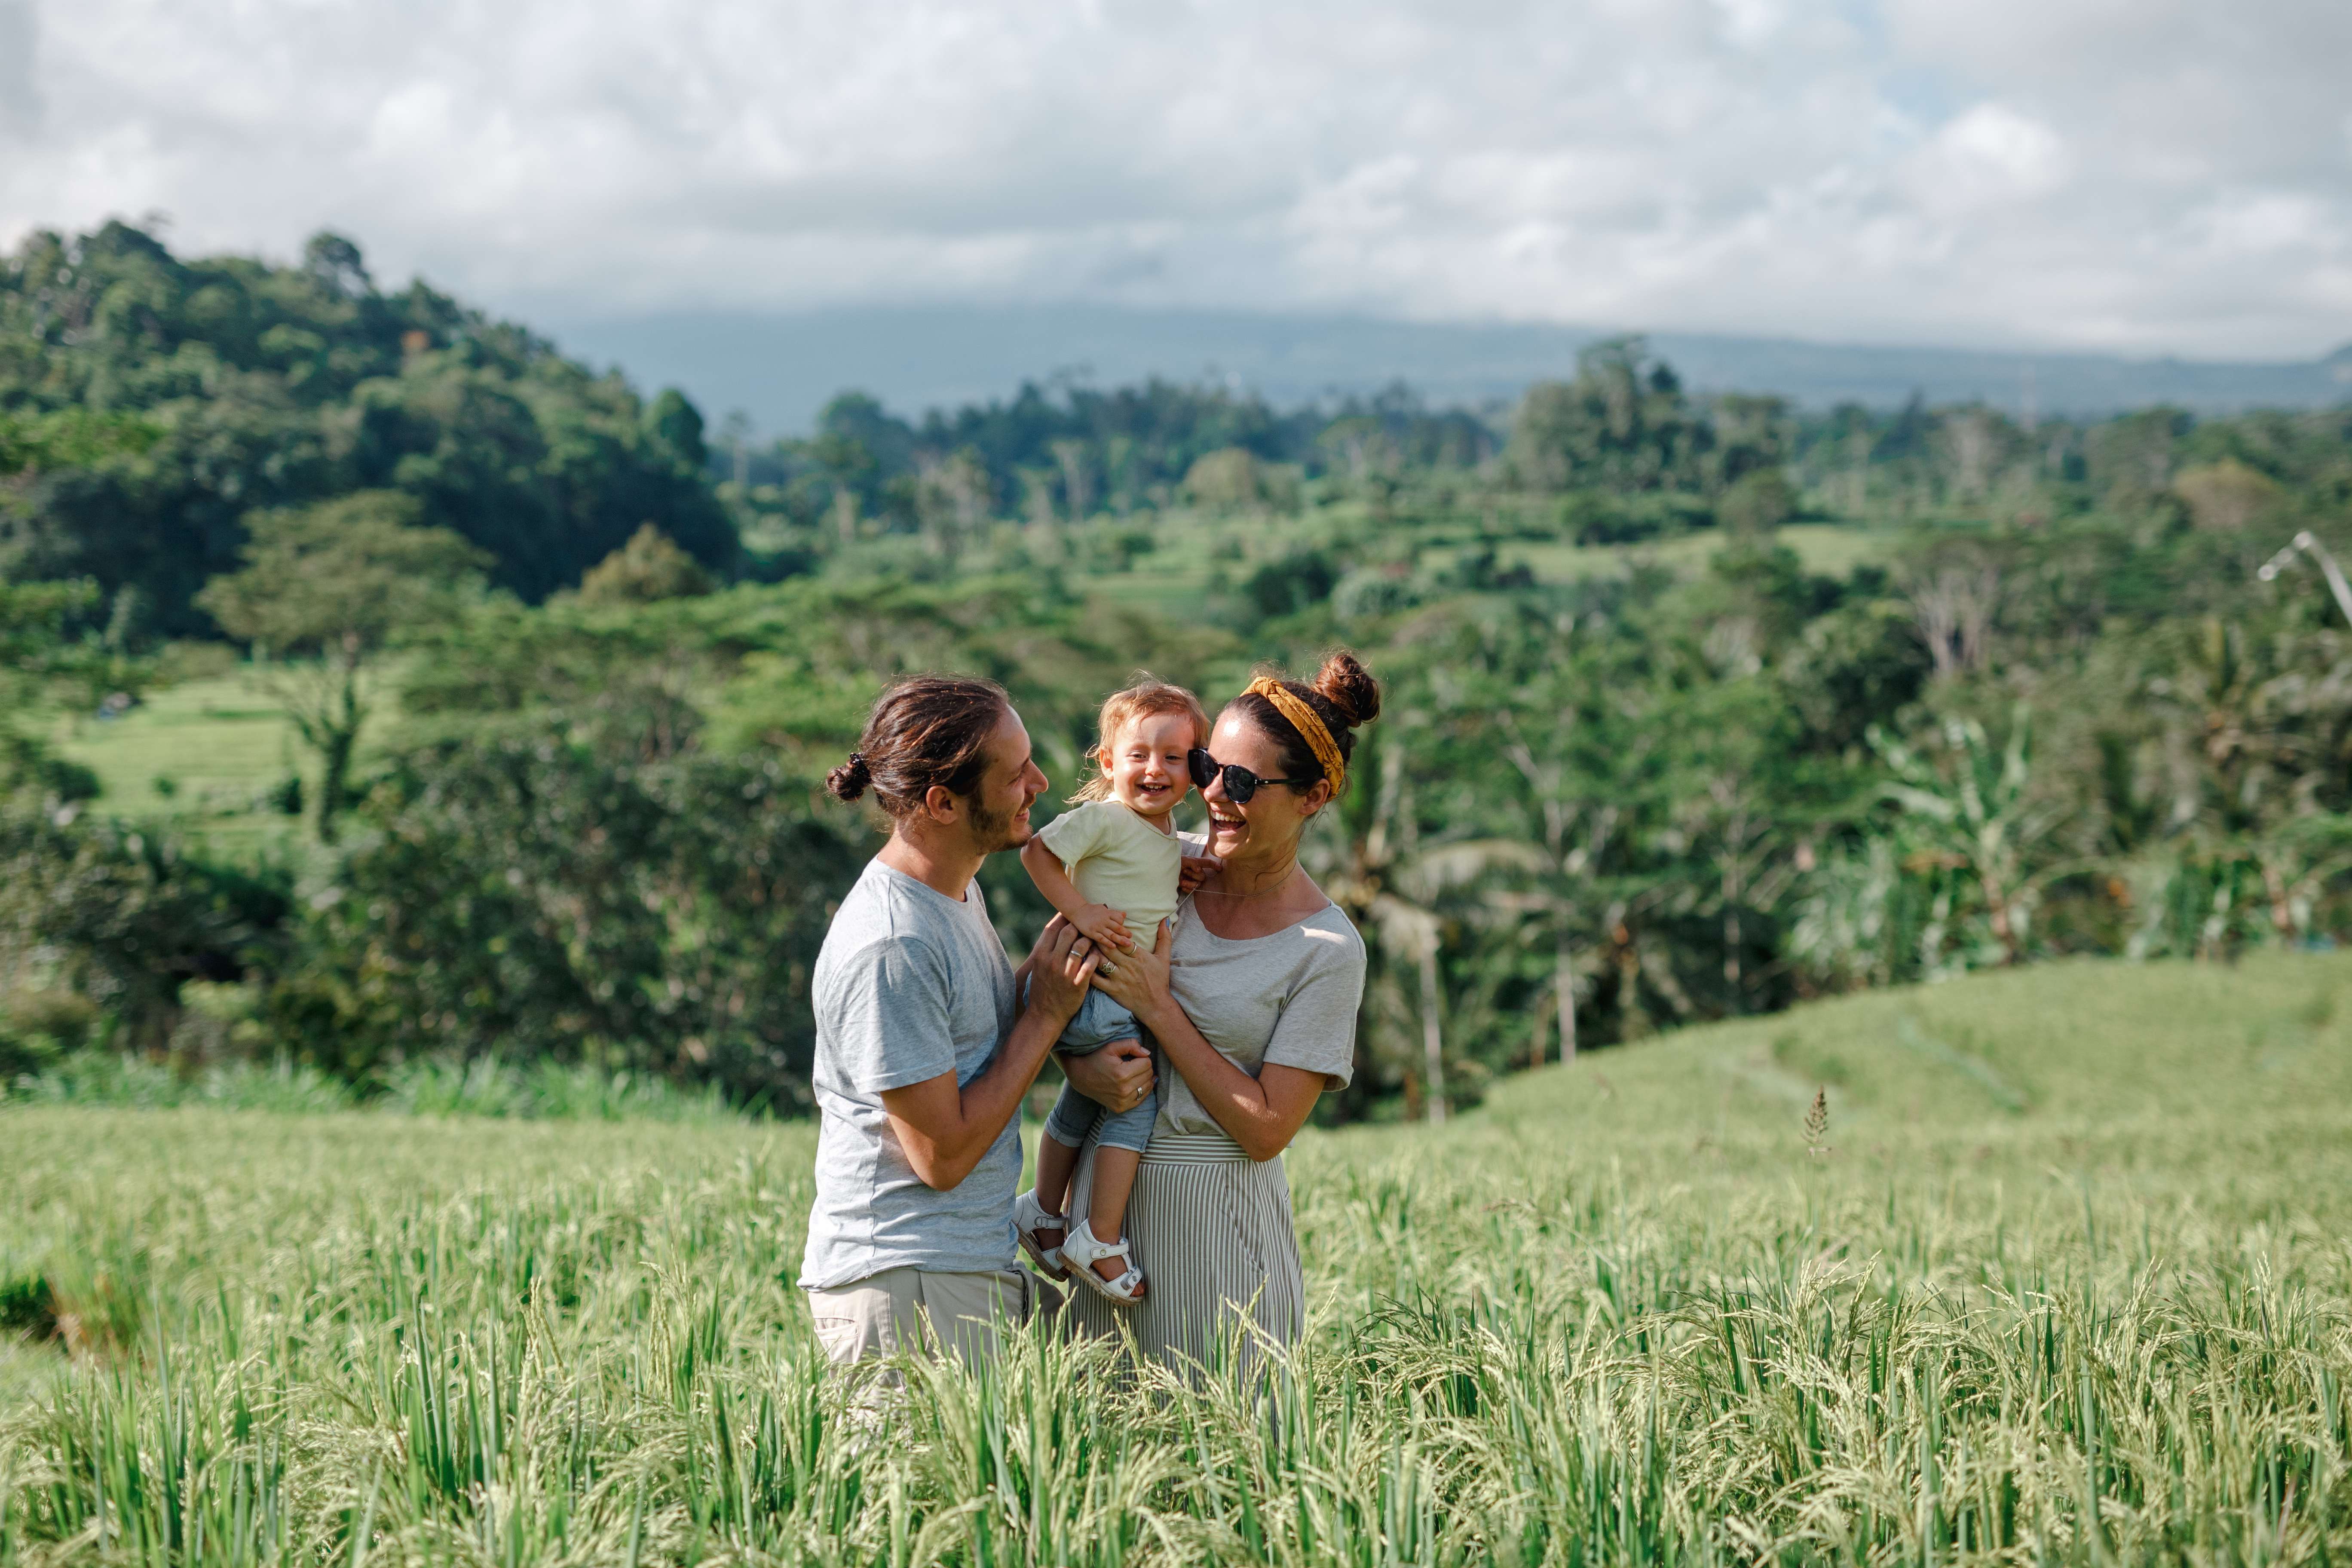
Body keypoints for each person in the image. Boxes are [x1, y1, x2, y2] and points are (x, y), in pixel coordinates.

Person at [797, 675, 1155, 1369]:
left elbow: (982, 1037)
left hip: (957, 1265)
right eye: (1017, 773)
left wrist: (1068, 975)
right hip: (909, 1281)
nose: (1042, 783)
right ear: (942, 802)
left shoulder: (954, 895)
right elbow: (941, 1157)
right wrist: (1048, 1015)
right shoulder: (893, 944)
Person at [1065, 651, 1378, 1371]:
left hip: (1220, 1220)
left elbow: (1268, 1129)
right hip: (1099, 1221)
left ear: (1315, 795)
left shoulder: (1326, 949)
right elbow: (1049, 983)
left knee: (1229, 1452)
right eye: (1207, 769)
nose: (1213, 796)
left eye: (1241, 782)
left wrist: (1157, 1005)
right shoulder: (1155, 861)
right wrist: (1079, 1067)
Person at [1014, 679, 1210, 1306]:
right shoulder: (1104, 817)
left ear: (1195, 768)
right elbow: (1037, 853)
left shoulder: (1158, 833)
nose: (1155, 770)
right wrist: (1082, 911)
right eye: (1138, 755)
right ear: (1107, 763)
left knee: (1082, 1100)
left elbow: (1141, 875)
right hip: (1098, 986)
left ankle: (1044, 1210)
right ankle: (1097, 1236)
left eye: (1174, 758)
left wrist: (1179, 871)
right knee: (1136, 1101)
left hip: (1106, 988)